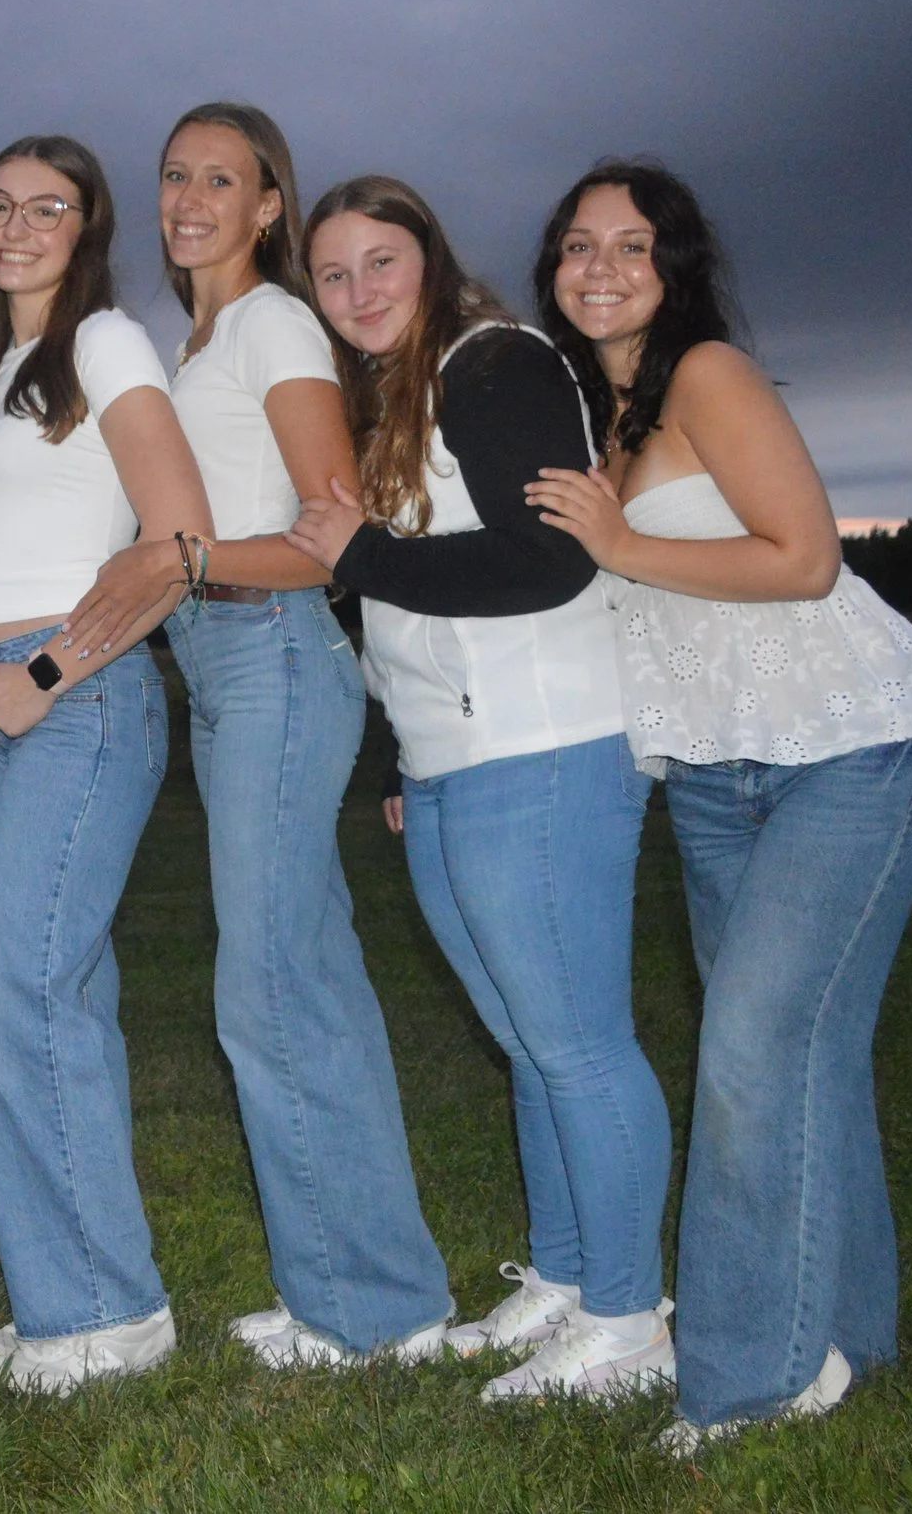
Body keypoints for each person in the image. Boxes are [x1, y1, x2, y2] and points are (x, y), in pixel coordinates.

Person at [522, 161, 912, 1453]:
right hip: (714, 776)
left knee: (757, 1052)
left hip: (849, 746)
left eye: (632, 245)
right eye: (579, 245)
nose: (602, 266)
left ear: (677, 265)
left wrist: (621, 543)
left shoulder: (707, 373)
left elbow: (804, 555)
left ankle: (752, 1372)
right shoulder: (594, 419)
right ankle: (849, 1331)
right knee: (800, 1053)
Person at [68, 105, 456, 1371]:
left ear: (268, 206)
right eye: (174, 173)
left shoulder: (278, 322)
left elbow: (324, 528)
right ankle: (354, 1289)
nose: (188, 198)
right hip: (225, 666)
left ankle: (371, 1309)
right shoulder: (203, 340)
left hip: (277, 654)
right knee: (293, 974)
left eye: (220, 180)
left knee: (277, 983)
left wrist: (171, 562)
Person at [287, 176, 676, 1402]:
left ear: (430, 259)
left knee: (576, 1044)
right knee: (527, 1043)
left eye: (381, 262)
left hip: (545, 744)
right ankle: (566, 1281)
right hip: (453, 760)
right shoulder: (394, 394)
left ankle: (627, 1319)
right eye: (334, 274)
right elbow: (412, 621)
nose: (359, 292)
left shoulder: (492, 362)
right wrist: (406, 761)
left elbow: (547, 558)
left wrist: (362, 556)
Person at [0, 135, 214, 1395]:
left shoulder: (104, 341)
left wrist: (47, 675)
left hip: (74, 697)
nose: (17, 225)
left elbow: (177, 540)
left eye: (47, 207)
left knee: (17, 993)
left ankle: (104, 1310)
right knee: (60, 1003)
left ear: (87, 226)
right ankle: (75, 1294)